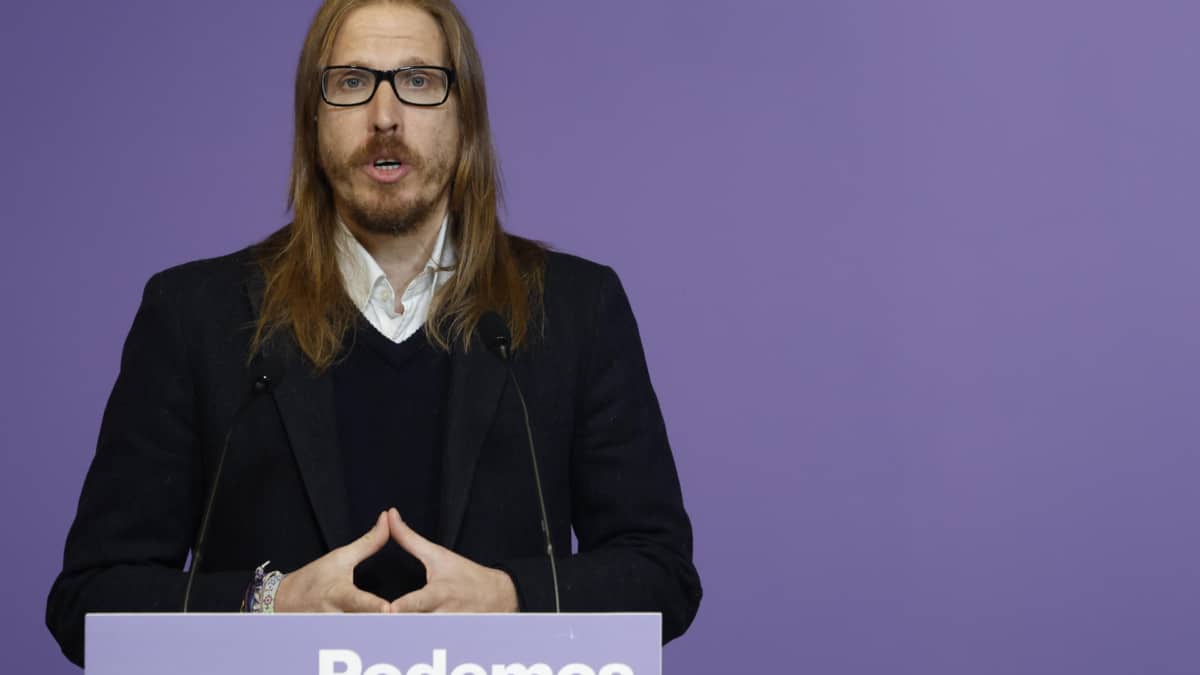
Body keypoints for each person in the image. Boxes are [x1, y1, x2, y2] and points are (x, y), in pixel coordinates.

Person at [45, 0, 701, 667]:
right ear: (313, 116)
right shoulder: (193, 315)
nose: (385, 117)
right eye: (352, 82)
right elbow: (90, 601)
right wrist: (268, 604)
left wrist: (511, 597)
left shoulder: (576, 308)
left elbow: (660, 575)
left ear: (464, 115)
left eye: (418, 81)